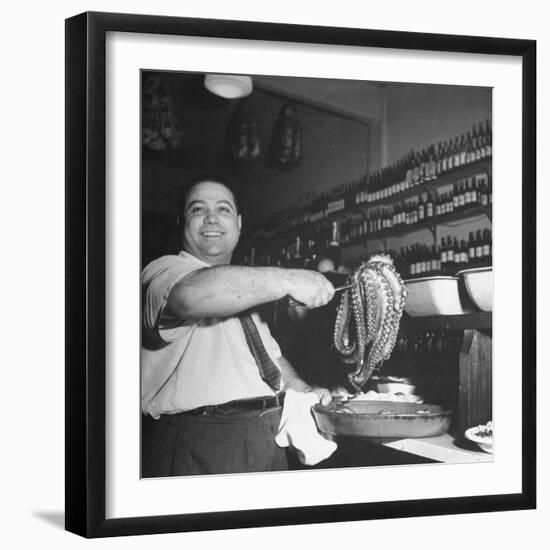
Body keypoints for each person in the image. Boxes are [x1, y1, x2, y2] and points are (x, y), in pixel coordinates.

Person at [141, 176, 336, 477]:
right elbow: (188, 298)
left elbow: (271, 361)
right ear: (182, 222)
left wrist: (305, 390)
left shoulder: (243, 288)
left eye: (223, 209)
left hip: (267, 438)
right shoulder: (163, 271)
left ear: (240, 223)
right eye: (197, 209)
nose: (211, 218)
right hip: (200, 441)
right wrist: (287, 279)